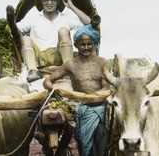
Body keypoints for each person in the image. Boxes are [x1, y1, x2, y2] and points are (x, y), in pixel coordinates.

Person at [43, 24, 109, 156]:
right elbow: (47, 81)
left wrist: (92, 98)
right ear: (76, 45)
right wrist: (56, 90)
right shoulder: (71, 65)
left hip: (100, 109)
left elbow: (106, 88)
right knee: (86, 148)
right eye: (82, 44)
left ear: (94, 44)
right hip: (81, 110)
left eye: (89, 44)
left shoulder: (103, 63)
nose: (86, 47)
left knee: (101, 142)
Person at [16, 0, 91, 82]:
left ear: (58, 1)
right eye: (46, 0)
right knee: (26, 38)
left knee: (63, 31)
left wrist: (71, 6)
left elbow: (89, 23)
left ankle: (67, 70)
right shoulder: (33, 18)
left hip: (58, 56)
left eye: (53, 0)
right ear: (42, 1)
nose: (49, 3)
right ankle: (33, 71)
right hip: (39, 57)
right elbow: (14, 29)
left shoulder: (65, 18)